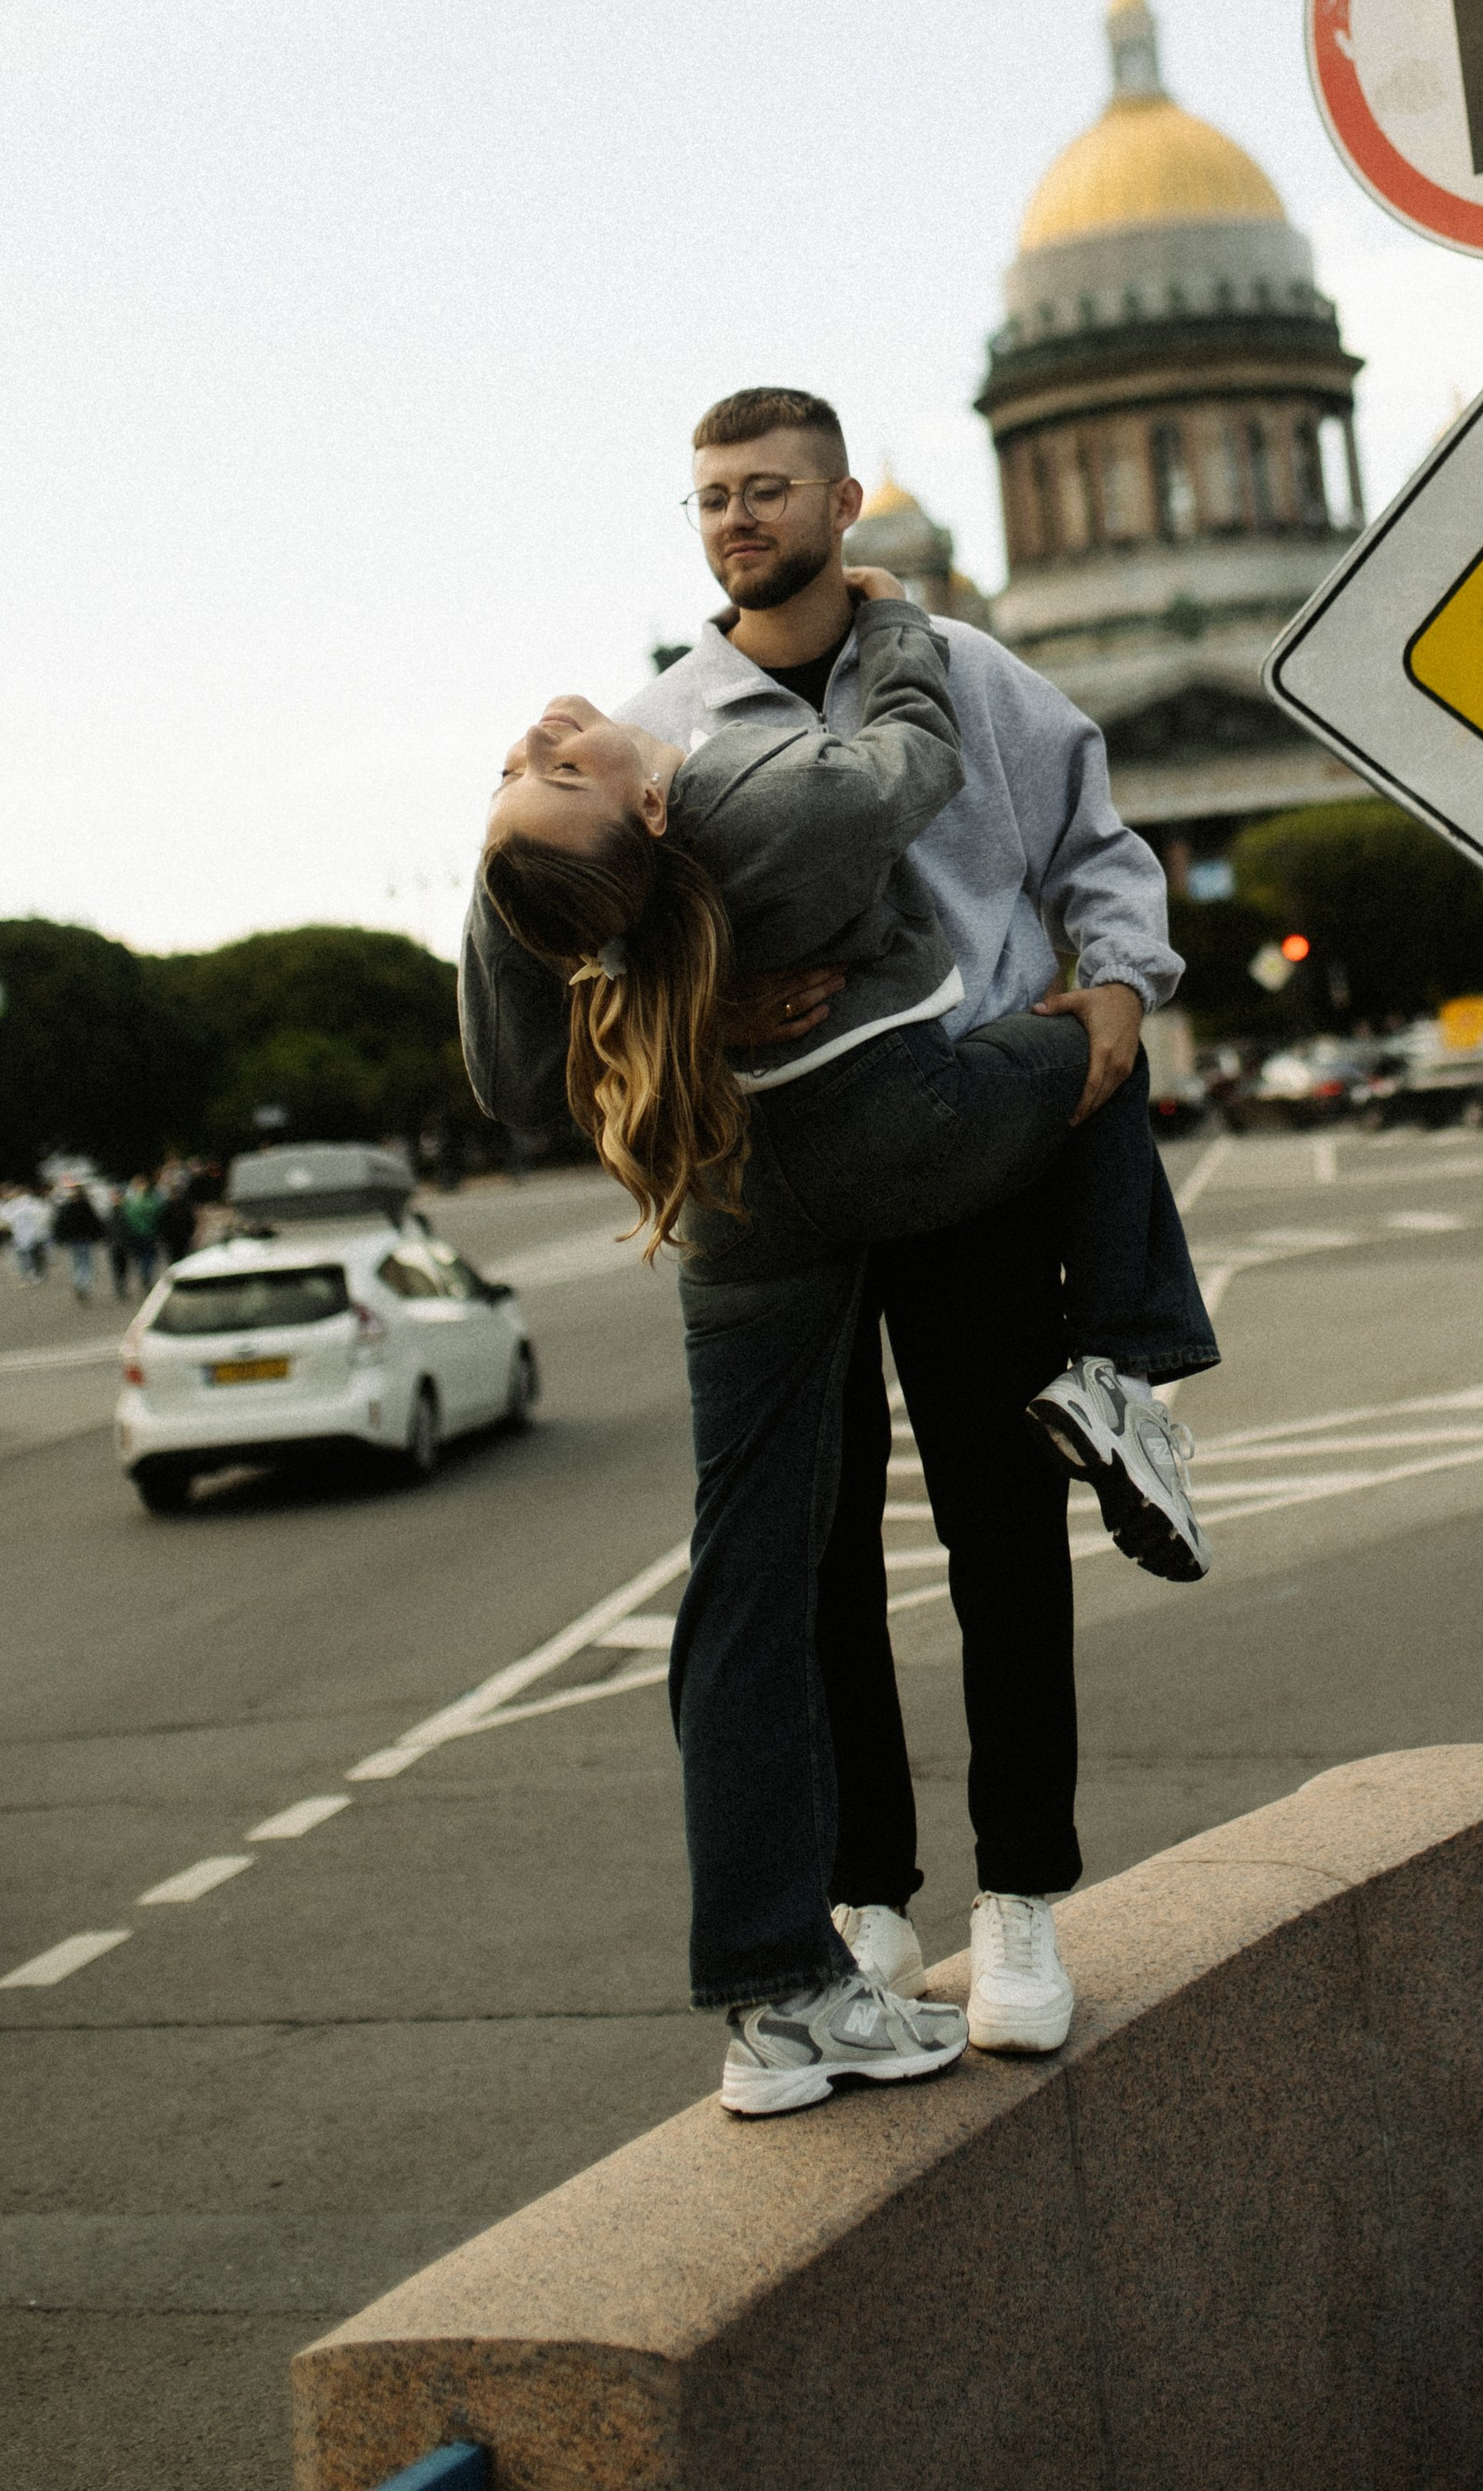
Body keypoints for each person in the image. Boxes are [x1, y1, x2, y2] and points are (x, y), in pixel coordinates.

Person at [461, 578, 1213, 2123]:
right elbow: (910, 761)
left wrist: (643, 979)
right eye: (546, 769)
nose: (540, 738)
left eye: (769, 485)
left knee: (758, 1580)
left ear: (835, 497)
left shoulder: (552, 857)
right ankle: (1128, 1362)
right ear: (652, 803)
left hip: (735, 1201)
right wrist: (895, 627)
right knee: (1093, 1040)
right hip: (903, 1134)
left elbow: (516, 1073)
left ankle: (787, 1984)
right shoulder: (718, 757)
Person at [616, 386, 1195, 2065]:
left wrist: (1121, 992)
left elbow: (1096, 849)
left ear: (845, 499)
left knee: (1002, 1533)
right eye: (711, 494)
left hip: (968, 1147)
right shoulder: (670, 722)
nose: (737, 517)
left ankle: (1020, 1899)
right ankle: (870, 1893)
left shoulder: (977, 677)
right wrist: (711, 1015)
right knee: (815, 1568)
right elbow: (616, 955)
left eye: (768, 488)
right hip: (784, 1173)